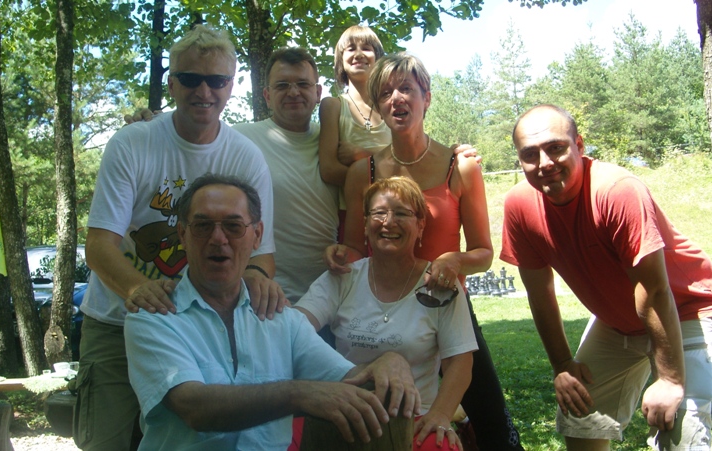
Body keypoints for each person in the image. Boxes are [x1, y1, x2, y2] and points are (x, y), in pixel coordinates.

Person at [74, 25, 284, 450]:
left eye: (217, 80)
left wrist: (258, 278)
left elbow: (261, 252)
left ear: (231, 85)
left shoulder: (245, 158)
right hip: (117, 322)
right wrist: (139, 289)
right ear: (172, 83)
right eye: (190, 79)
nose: (204, 91)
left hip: (200, 329)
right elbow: (98, 246)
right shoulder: (132, 144)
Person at [124, 174, 420, 450]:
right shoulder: (153, 316)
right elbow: (194, 407)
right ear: (182, 234)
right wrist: (298, 394)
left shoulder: (280, 317)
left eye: (233, 226)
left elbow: (349, 379)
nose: (218, 238)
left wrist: (390, 361)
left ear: (257, 235)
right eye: (203, 226)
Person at [326, 52, 524, 450]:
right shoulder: (363, 172)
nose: (396, 98)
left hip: (447, 305)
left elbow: (483, 252)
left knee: (492, 423)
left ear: (426, 98)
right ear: (378, 106)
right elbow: (355, 247)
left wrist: (453, 260)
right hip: (385, 312)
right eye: (386, 93)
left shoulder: (460, 167)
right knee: (383, 416)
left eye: (406, 89)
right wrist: (339, 254)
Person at [501, 104, 712, 450]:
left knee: (681, 431)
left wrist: (670, 379)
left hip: (686, 308)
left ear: (579, 145)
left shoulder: (617, 190)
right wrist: (562, 364)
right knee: (582, 418)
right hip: (617, 321)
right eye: (530, 154)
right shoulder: (519, 206)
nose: (545, 163)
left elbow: (654, 290)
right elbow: (539, 291)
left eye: (556, 148)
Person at [297, 176, 477, 451]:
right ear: (365, 225)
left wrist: (440, 414)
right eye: (379, 213)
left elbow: (460, 363)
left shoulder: (440, 286)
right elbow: (295, 330)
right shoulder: (343, 277)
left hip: (414, 419)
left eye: (402, 214)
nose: (389, 222)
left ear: (420, 225)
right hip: (346, 411)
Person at [233, 47, 339, 303]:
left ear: (318, 93)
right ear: (267, 96)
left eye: (303, 84)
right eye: (282, 85)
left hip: (334, 295)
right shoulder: (239, 139)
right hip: (265, 298)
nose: (293, 92)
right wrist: (149, 122)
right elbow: (192, 142)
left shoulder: (335, 141)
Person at [318, 25, 391, 187]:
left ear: (378, 59)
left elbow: (408, 161)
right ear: (341, 60)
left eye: (366, 48)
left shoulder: (390, 106)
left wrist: (362, 154)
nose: (358, 54)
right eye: (351, 49)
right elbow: (329, 170)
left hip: (397, 201)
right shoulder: (333, 107)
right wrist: (387, 169)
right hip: (353, 203)